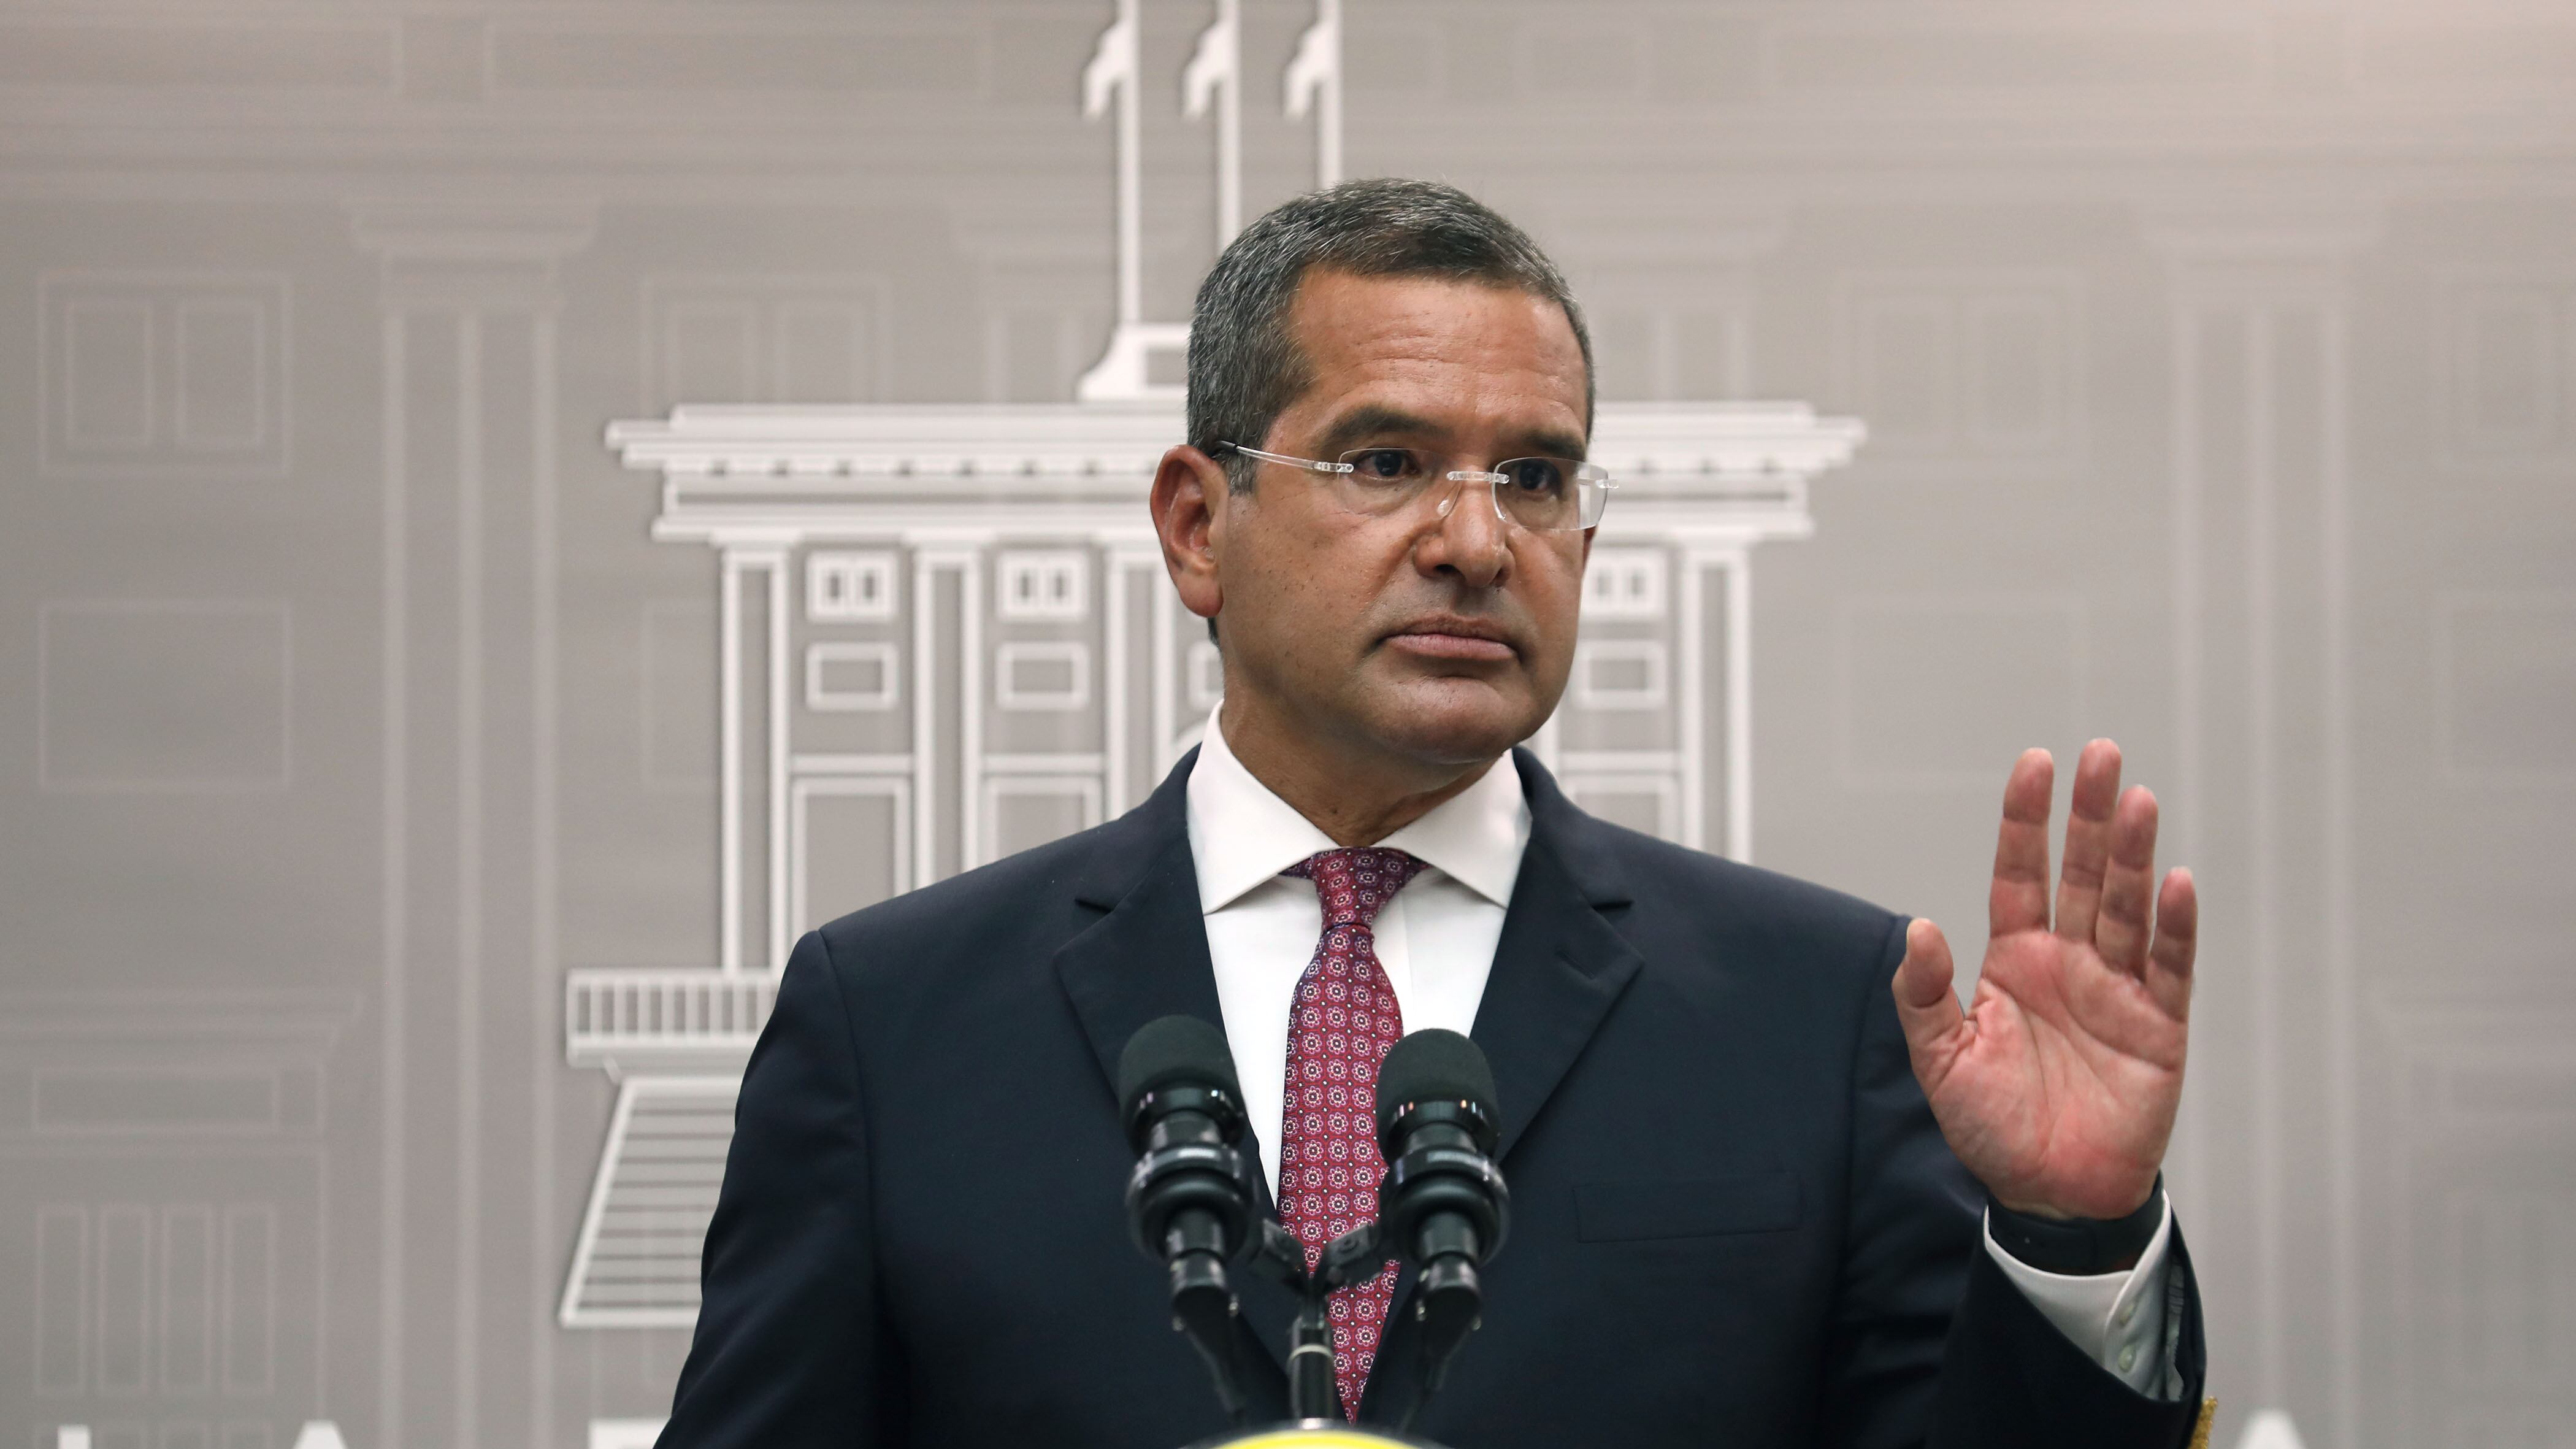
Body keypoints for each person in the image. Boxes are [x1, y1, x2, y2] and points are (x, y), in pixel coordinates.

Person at [657, 179, 2209, 1449]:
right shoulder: (897, 1023)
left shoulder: (1815, 1011)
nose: (1476, 540)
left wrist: (2071, 1238)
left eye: (1535, 477)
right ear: (1197, 525)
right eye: (1388, 460)